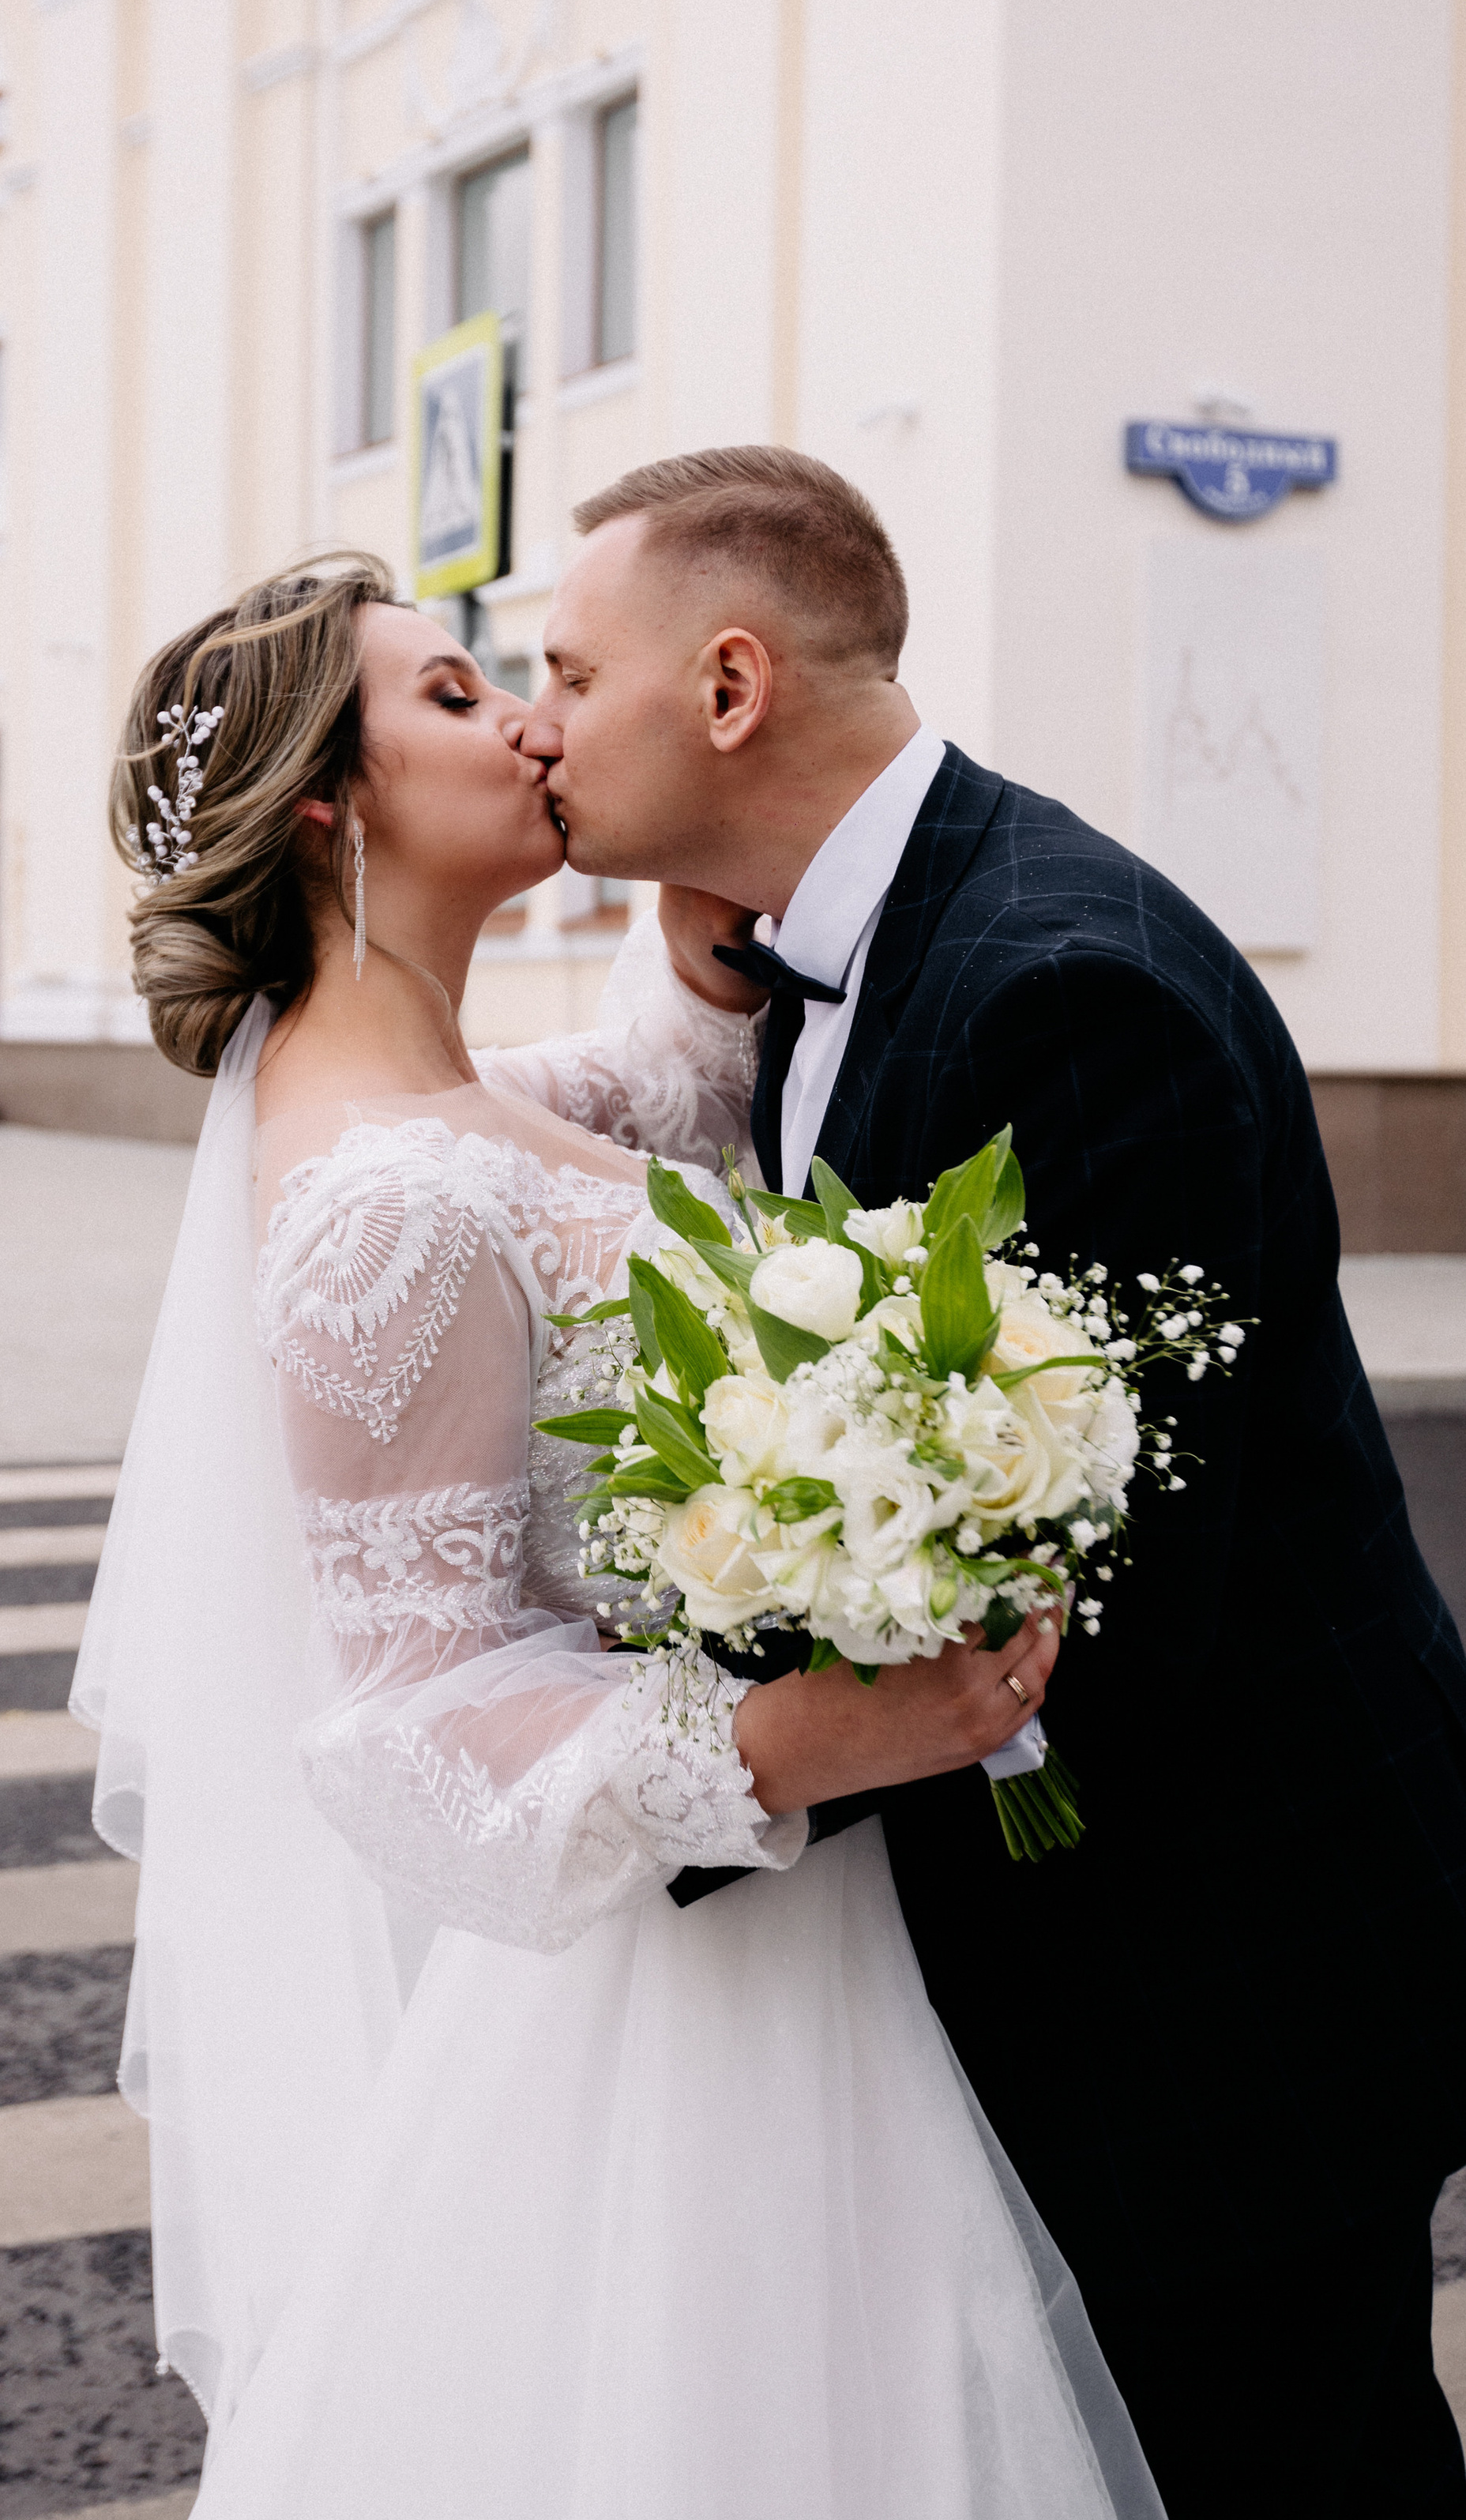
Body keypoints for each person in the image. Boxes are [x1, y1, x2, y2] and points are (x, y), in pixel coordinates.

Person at [73, 554, 1163, 2518]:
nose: (529, 723)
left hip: (790, 1946)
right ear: (330, 805)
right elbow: (406, 1714)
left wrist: (698, 892)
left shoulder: (449, 1094)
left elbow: (660, 1089)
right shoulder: (376, 1203)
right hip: (674, 2003)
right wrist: (781, 1745)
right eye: (457, 696)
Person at [522, 443, 1466, 2518]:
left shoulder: (1066, 986)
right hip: (1098, 1942)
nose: (535, 722)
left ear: (735, 685)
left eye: (569, 672)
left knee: (1289, 2472)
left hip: (1227, 1980)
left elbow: (1091, 1608)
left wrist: (670, 1770)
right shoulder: (816, 941)